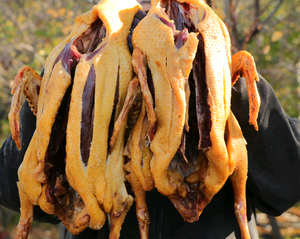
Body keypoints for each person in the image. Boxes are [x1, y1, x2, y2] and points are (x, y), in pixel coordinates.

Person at [1, 4, 300, 239]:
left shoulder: (227, 74)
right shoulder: (77, 72)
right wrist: (54, 95)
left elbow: (288, 185)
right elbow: (11, 190)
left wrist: (222, 84)